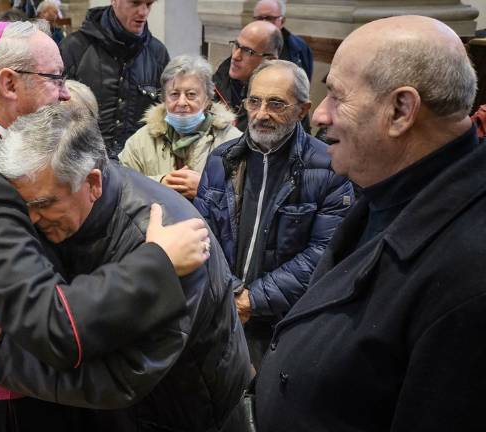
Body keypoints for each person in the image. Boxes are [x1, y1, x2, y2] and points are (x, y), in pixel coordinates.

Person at [0, 21, 210, 431]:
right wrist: (156, 262)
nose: (66, 92)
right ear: (9, 83)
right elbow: (51, 324)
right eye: (55, 78)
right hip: (1, 407)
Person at [0, 102, 253, 431]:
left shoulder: (170, 241)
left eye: (44, 204)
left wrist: (8, 340)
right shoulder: (74, 209)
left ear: (92, 183)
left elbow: (121, 378)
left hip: (181, 415)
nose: (30, 219)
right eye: (23, 205)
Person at [254, 15, 486, 432]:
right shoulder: (381, 186)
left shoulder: (470, 272)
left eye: (336, 96)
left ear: (400, 110)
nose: (320, 116)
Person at [194, 60, 353, 369]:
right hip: (223, 314)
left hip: (287, 324)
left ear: (302, 109)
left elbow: (324, 253)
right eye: (254, 101)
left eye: (276, 103)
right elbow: (202, 235)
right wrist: (230, 294)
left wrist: (252, 299)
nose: (261, 113)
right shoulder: (221, 160)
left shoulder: (329, 167)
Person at [120, 54, 241, 200]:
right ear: (164, 98)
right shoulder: (141, 141)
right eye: (174, 94)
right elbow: (121, 185)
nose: (182, 102)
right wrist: (160, 184)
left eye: (191, 94)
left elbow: (245, 197)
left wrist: (205, 189)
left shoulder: (233, 142)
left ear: (207, 98)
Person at [61, 0, 169, 158]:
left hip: (135, 167)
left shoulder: (158, 55)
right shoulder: (74, 48)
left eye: (149, 4)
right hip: (80, 164)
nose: (143, 11)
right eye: (135, 3)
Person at [212, 21, 280, 132]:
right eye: (236, 45)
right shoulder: (215, 83)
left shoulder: (282, 104)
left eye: (248, 51)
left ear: (270, 61)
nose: (235, 56)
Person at [252, 0, 313, 80]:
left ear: (282, 21)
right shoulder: (243, 44)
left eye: (269, 18)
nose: (264, 23)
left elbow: (304, 83)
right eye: (259, 18)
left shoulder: (300, 47)